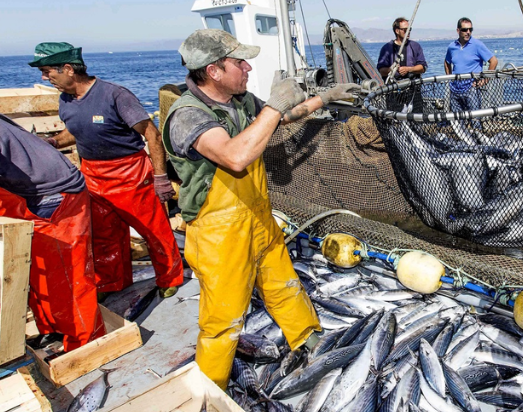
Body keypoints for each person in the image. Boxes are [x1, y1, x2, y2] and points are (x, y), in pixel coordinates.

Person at [162, 29, 360, 388]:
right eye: (239, 62)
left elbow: (281, 118)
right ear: (213, 71)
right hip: (218, 232)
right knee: (224, 318)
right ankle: (211, 390)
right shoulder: (188, 116)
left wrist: (324, 99)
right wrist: (272, 105)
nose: (248, 67)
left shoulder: (237, 100)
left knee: (283, 283)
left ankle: (309, 341)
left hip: (257, 216)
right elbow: (235, 157)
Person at [30, 43, 184, 300]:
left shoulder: (115, 95)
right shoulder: (66, 100)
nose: (45, 78)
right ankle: (113, 282)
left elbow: (152, 134)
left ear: (68, 69)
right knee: (103, 236)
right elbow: (76, 130)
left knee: (153, 231)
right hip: (92, 176)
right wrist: (55, 142)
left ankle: (170, 278)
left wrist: (160, 177)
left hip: (130, 174)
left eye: (47, 71)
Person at [0, 114, 105, 351]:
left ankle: (86, 342)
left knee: (69, 276)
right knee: (37, 273)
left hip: (53, 196)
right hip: (26, 192)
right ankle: (55, 329)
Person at [444, 17, 498, 112]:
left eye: (470, 29)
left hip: (471, 89)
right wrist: (449, 79)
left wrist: (485, 80)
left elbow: (494, 61)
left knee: (475, 119)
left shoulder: (477, 45)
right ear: (458, 30)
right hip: (455, 89)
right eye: (465, 30)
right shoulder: (452, 47)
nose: (468, 32)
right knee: (457, 120)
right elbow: (446, 62)